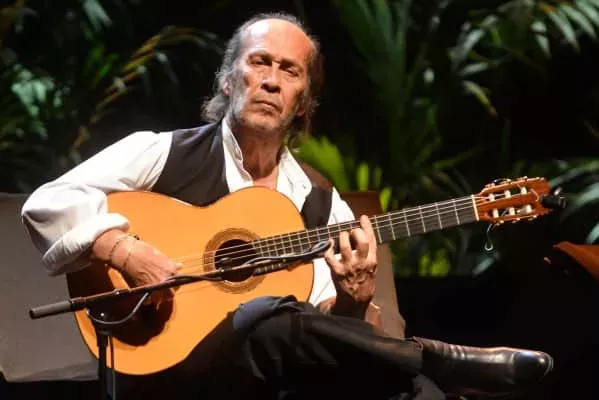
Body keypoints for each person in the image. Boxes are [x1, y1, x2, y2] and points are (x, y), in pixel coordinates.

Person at [21, 11, 553, 400]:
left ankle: (431, 374)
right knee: (267, 315)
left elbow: (325, 333)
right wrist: (126, 251)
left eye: (290, 71)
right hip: (162, 365)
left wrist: (352, 299)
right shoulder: (162, 152)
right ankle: (436, 358)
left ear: (303, 102)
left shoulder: (321, 205)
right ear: (229, 79)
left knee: (387, 378)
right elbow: (49, 201)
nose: (272, 80)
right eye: (259, 62)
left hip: (263, 379)